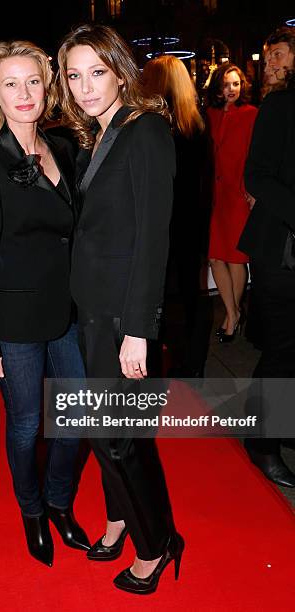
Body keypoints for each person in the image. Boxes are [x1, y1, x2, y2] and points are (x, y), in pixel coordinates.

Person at [57, 24, 183, 595]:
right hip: (90, 310)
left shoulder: (146, 131)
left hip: (120, 317)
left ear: (120, 71)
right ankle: (119, 517)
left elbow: (152, 239)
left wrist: (139, 331)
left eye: (96, 73)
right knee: (100, 428)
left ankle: (158, 544)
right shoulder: (98, 134)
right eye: (74, 75)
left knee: (119, 436)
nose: (85, 87)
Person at [0, 40, 90, 568]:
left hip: (68, 310)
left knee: (79, 417)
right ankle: (32, 510)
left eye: (33, 80)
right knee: (25, 424)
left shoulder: (63, 147)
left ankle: (59, 501)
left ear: (48, 84)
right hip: (14, 318)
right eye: (10, 83)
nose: (24, 93)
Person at [238, 26, 295, 487]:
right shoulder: (279, 105)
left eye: (281, 54)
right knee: (282, 348)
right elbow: (256, 176)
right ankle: (260, 441)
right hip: (280, 247)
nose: (273, 62)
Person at [143, 55, 209, 377]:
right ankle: (192, 363)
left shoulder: (153, 125)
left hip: (162, 220)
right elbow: (204, 177)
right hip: (190, 218)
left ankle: (163, 360)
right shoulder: (196, 122)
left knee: (161, 294)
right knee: (189, 293)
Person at [206, 63, 257, 342]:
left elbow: (256, 155)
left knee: (236, 258)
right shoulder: (210, 114)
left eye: (236, 84)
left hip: (238, 194)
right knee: (215, 257)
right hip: (215, 196)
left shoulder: (251, 114)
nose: (231, 90)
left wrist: (251, 190)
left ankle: (231, 316)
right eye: (226, 84)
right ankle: (234, 311)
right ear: (218, 87)